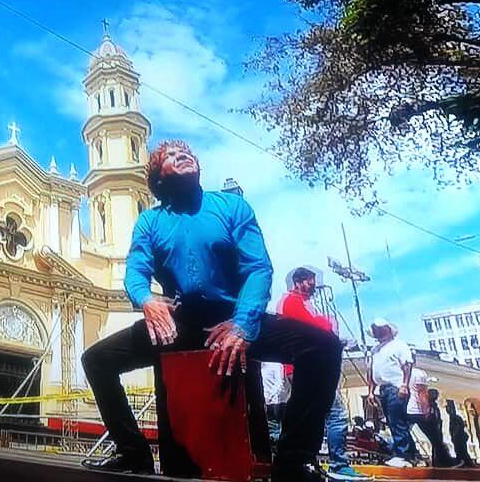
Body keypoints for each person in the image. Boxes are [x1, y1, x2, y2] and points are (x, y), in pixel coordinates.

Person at [80, 141, 342, 482]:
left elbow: (258, 268)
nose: (183, 156)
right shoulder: (150, 221)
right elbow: (136, 271)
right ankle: (132, 453)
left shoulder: (232, 206)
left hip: (235, 317)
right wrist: (145, 300)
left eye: (187, 152)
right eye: (171, 157)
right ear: (159, 177)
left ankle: (295, 459)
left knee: (323, 347)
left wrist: (243, 324)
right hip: (180, 323)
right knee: (97, 360)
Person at [277, 267, 368, 481]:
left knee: (310, 413)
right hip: (307, 366)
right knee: (334, 413)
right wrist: (328, 324)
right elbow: (313, 327)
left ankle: (303, 461)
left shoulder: (295, 302)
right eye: (310, 282)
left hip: (304, 365)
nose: (313, 287)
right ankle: (339, 463)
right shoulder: (292, 302)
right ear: (299, 282)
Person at [366, 318, 416, 467]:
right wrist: (371, 392)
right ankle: (409, 453)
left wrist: (404, 385)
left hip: (395, 386)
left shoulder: (399, 345)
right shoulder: (374, 351)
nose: (377, 332)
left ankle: (403, 454)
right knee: (392, 420)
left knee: (396, 420)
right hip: (384, 388)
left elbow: (407, 365)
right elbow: (371, 372)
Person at [406, 366, 456, 467]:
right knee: (435, 439)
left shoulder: (402, 373)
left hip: (407, 409)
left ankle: (412, 455)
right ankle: (445, 461)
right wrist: (426, 411)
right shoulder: (418, 374)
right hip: (417, 410)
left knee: (404, 432)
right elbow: (422, 393)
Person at [262, 361, 291, 445]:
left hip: (278, 402)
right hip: (267, 401)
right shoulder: (261, 365)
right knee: (271, 428)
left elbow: (280, 382)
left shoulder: (276, 364)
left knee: (277, 429)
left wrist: (271, 396)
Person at [446, 400, 475, 467]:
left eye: (449, 408)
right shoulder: (452, 418)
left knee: (462, 452)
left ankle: (467, 463)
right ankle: (464, 462)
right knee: (460, 452)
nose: (447, 410)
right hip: (457, 440)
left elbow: (459, 428)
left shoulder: (456, 418)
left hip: (459, 439)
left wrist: (456, 435)